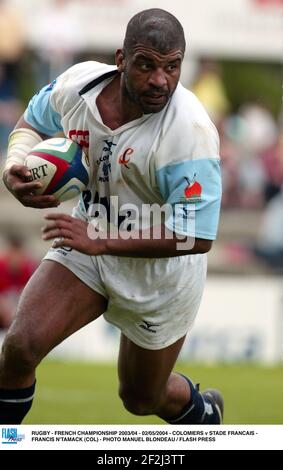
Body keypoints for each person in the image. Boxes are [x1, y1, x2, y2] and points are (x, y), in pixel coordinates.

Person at [0, 8, 223, 425]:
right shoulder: (78, 86)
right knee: (20, 347)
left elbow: (198, 237)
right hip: (88, 245)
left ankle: (204, 413)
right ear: (121, 59)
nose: (161, 80)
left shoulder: (189, 130)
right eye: (146, 65)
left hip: (161, 277)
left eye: (172, 67)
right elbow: (32, 119)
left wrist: (99, 241)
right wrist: (14, 167)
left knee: (140, 398)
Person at [0, 234, 38, 330]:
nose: (16, 259)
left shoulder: (29, 268)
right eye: (13, 253)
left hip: (18, 313)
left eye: (19, 254)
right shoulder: (1, 267)